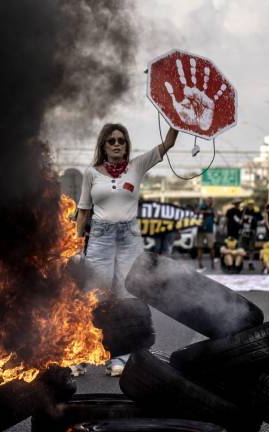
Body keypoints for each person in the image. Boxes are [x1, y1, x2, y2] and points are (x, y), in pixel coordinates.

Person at [76, 123, 178, 377]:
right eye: (111, 141)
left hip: (129, 238)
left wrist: (177, 122)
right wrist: (77, 243)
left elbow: (168, 144)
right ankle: (80, 355)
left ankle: (119, 357)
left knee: (126, 297)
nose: (117, 144)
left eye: (121, 140)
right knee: (93, 297)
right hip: (99, 238)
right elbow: (84, 211)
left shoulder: (137, 166)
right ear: (103, 145)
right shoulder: (91, 173)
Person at [239, 200, 261, 271]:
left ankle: (250, 263)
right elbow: (240, 220)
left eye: (252, 204)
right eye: (249, 204)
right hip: (244, 231)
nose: (250, 206)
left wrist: (257, 214)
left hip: (252, 231)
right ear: (247, 205)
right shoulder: (243, 211)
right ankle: (240, 262)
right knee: (242, 247)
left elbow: (261, 219)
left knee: (251, 248)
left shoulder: (256, 212)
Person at [196, 198, 216, 270]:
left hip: (209, 229)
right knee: (200, 247)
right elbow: (197, 212)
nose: (208, 202)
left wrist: (211, 207)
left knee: (211, 247)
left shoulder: (212, 208)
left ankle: (213, 263)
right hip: (200, 229)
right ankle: (200, 263)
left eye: (209, 201)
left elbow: (215, 215)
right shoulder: (201, 206)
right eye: (207, 201)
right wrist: (203, 209)